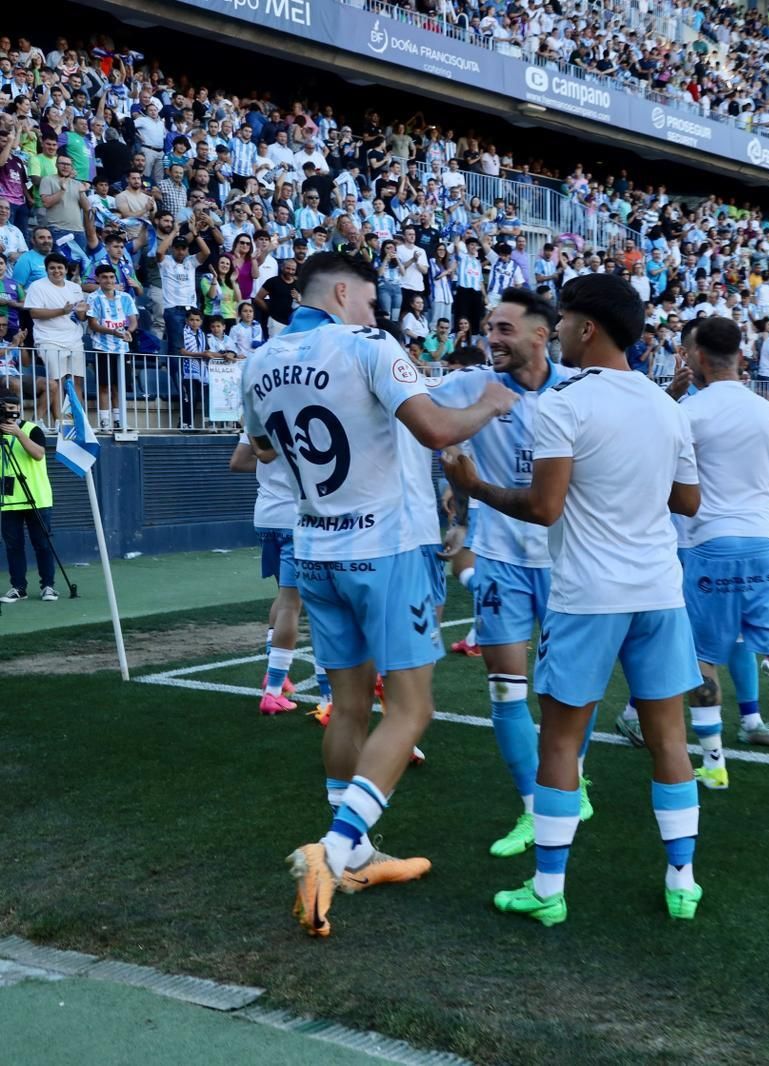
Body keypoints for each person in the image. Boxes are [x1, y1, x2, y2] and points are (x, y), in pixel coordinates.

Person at [241, 251, 515, 937]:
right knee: (413, 709)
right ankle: (332, 853)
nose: (375, 310)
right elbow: (437, 430)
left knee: (351, 706)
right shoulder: (365, 343)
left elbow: (262, 451)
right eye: (369, 298)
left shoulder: (257, 361)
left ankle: (356, 849)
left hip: (317, 551)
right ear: (341, 291)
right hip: (387, 548)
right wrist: (490, 403)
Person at [444, 272, 706, 925]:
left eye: (561, 320)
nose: (555, 329)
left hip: (589, 595)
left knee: (561, 743)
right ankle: (683, 882)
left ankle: (549, 891)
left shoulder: (566, 403)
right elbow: (688, 501)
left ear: (587, 329)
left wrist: (474, 488)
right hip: (658, 592)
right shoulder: (666, 406)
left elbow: (543, 506)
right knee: (669, 740)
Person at [429, 287, 587, 859]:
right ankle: (532, 806)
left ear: (541, 336)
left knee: (569, 691)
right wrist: (460, 507)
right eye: (488, 328)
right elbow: (414, 416)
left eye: (503, 329)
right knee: (504, 688)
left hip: (570, 559)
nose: (490, 338)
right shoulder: (471, 386)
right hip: (500, 558)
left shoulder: (576, 388)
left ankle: (575, 778)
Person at [678, 316, 769, 802]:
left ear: (697, 356)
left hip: (709, 544)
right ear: (742, 355)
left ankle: (714, 764)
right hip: (764, 542)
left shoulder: (688, 414)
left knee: (702, 658)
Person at [228, 430, 333, 716]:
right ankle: (317, 693)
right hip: (296, 518)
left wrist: (273, 469)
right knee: (309, 605)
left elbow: (239, 461)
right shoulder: (292, 410)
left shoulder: (254, 411)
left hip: (265, 515)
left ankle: (275, 670)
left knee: (286, 597)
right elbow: (267, 454)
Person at [0, 392, 56, 603]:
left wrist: (18, 434)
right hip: (8, 500)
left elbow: (39, 454)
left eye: (13, 410)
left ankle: (48, 586)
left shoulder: (32, 429)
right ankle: (18, 587)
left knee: (42, 544)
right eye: (5, 409)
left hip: (36, 497)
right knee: (13, 546)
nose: (10, 414)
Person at [24, 253, 87, 430]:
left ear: (66, 269)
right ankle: (50, 421)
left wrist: (83, 312)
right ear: (47, 270)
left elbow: (80, 316)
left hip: (74, 338)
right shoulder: (37, 286)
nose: (56, 271)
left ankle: (76, 421)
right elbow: (34, 313)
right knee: (56, 380)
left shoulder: (75, 287)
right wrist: (62, 311)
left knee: (76, 380)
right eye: (52, 268)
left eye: (60, 267)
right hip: (48, 338)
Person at [85, 263, 135, 430]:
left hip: (122, 348)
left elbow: (133, 321)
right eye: (104, 277)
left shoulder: (126, 297)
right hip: (102, 347)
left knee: (119, 386)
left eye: (111, 277)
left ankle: (119, 420)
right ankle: (105, 421)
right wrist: (113, 332)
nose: (108, 280)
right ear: (98, 279)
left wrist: (129, 331)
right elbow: (93, 324)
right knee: (104, 385)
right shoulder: (93, 297)